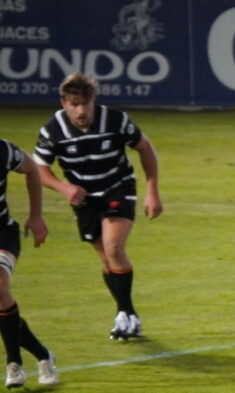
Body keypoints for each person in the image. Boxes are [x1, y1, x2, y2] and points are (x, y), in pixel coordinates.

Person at [33, 72, 162, 341]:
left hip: (118, 187)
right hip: (84, 198)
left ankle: (126, 313)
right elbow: (39, 169)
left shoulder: (115, 120)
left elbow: (145, 148)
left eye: (85, 105)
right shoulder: (52, 131)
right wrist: (64, 187)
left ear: (93, 102)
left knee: (114, 247)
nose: (80, 111)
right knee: (105, 257)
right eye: (74, 105)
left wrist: (152, 192)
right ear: (63, 103)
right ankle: (126, 314)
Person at [0, 140, 58, 389]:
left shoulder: (3, 151)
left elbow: (32, 168)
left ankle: (14, 363)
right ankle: (43, 354)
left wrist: (36, 215)